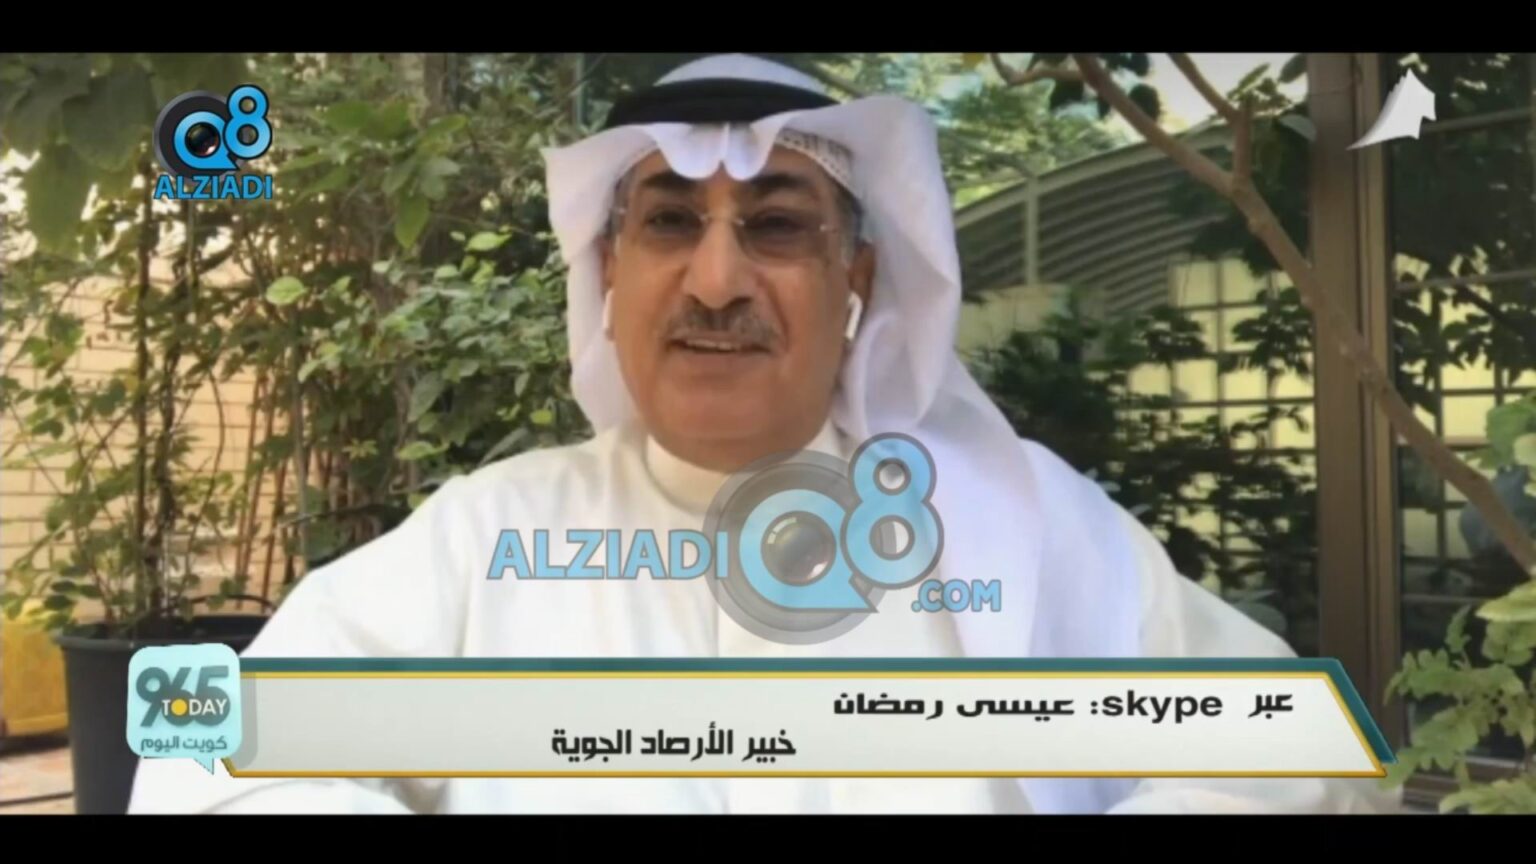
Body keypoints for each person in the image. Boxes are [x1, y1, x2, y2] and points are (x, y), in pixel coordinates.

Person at [129, 54, 1398, 814]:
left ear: (856, 280)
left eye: (778, 226)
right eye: (671, 223)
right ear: (609, 272)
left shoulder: (1016, 522)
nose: (720, 281)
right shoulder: (486, 539)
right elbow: (215, 756)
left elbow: (1291, 753)